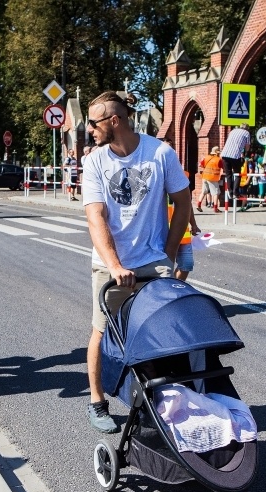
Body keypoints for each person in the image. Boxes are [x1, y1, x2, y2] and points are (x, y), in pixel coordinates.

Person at [83, 91, 190, 433]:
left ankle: (163, 399)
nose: (90, 130)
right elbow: (95, 217)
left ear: (114, 121)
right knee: (102, 331)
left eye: (94, 123)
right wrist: (114, 265)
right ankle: (97, 402)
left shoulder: (160, 153)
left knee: (164, 331)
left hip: (153, 260)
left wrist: (169, 253)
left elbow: (183, 203)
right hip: (110, 265)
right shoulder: (95, 162)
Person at [220, 124, 250, 198]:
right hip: (235, 155)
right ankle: (235, 192)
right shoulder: (246, 133)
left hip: (224, 154)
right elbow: (247, 146)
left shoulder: (232, 131)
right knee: (237, 174)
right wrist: (245, 153)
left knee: (228, 174)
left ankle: (230, 193)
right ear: (247, 128)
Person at [196, 146, 223, 213]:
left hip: (205, 177)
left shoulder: (206, 157)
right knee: (216, 193)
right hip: (213, 178)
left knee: (204, 192)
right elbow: (223, 167)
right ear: (217, 152)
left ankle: (198, 205)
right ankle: (215, 208)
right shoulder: (218, 159)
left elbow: (200, 165)